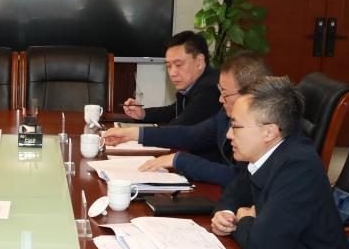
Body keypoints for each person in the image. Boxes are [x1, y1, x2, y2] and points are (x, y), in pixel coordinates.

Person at [211, 76, 349, 249]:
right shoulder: (261, 151)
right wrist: (225, 215)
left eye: (235, 126)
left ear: (269, 132)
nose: (229, 134)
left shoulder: (299, 167)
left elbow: (263, 246)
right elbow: (233, 193)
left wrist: (243, 219)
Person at [102, 52, 271, 184]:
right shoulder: (224, 115)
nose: (220, 99)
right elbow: (191, 135)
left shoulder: (264, 129)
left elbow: (238, 178)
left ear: (251, 95)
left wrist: (179, 160)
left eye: (225, 94)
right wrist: (133, 134)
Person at [119, 31, 221, 128]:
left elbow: (178, 129)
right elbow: (173, 111)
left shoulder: (211, 89)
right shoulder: (195, 85)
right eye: (168, 66)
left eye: (178, 64)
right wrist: (143, 114)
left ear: (199, 62)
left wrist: (134, 133)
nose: (172, 73)